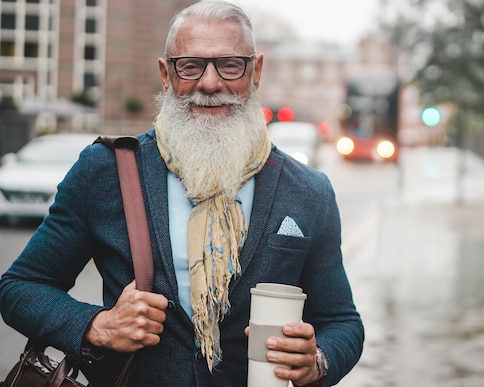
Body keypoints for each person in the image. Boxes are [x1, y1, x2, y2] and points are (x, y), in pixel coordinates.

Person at [0, 1, 364, 386]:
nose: (209, 83)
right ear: (165, 73)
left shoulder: (309, 191)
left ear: (256, 71)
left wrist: (318, 359)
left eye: (229, 65)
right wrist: (98, 325)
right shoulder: (105, 170)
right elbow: (20, 288)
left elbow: (342, 323)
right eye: (190, 66)